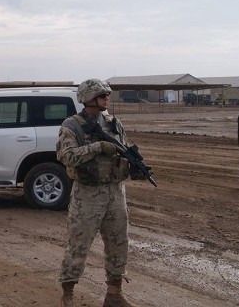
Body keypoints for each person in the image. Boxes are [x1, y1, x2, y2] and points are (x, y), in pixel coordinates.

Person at [56, 79, 136, 307]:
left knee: (118, 243)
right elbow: (66, 156)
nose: (107, 99)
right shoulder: (72, 125)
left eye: (107, 95)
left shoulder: (114, 122)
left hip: (115, 192)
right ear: (89, 98)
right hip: (87, 195)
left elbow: (123, 149)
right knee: (78, 245)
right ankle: (67, 295)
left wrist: (132, 165)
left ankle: (114, 295)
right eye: (102, 95)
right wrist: (98, 147)